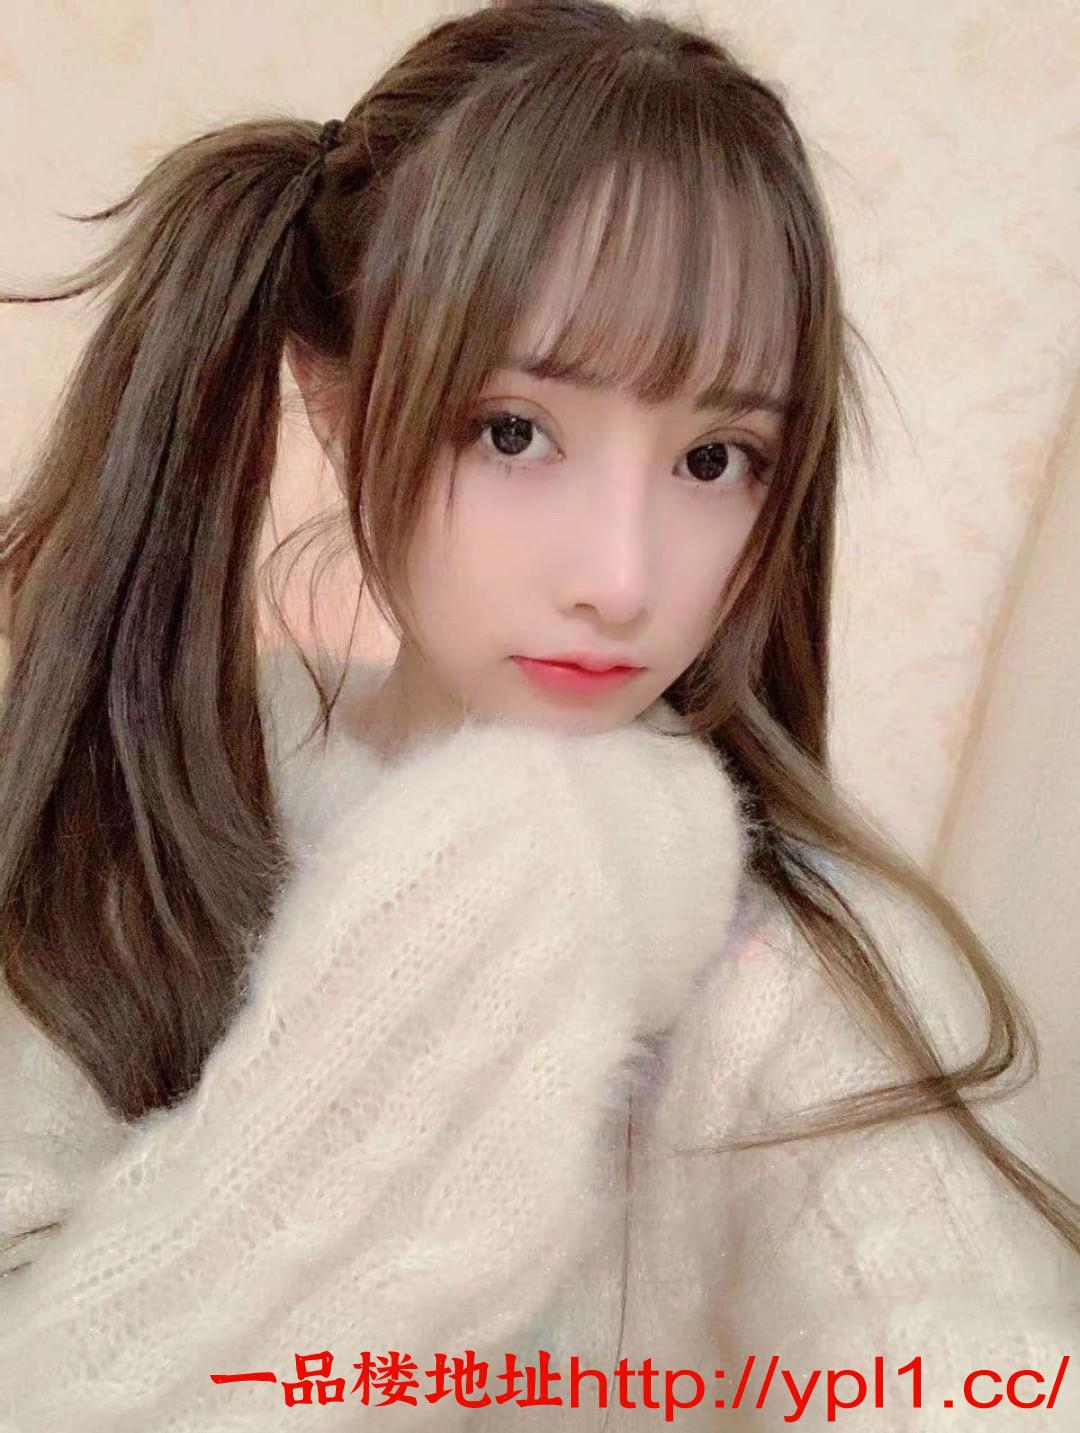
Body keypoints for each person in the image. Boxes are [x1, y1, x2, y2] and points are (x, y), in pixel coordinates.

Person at [0, 0, 1075, 1427]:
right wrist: (504, 901)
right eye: (515, 432)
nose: (620, 580)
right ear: (334, 397)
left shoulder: (809, 971)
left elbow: (976, 1361)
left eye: (715, 457)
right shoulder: (136, 836)